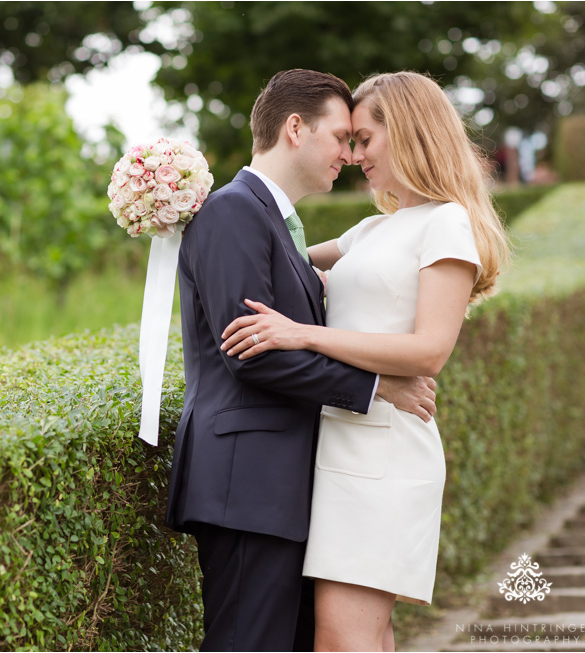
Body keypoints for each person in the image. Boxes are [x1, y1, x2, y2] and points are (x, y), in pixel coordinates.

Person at [220, 71, 510, 651]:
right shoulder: (374, 227)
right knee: (364, 634)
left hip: (385, 453)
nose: (354, 156)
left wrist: (304, 335)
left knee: (340, 638)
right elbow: (272, 249)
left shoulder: (446, 221)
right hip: (344, 446)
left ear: (406, 134)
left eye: (364, 139)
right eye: (349, 141)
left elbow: (431, 350)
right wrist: (189, 207)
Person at [163, 69, 438, 652]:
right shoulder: (233, 211)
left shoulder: (277, 224)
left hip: (280, 486)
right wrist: (375, 387)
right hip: (247, 480)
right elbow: (252, 353)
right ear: (295, 128)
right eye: (341, 136)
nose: (350, 152)